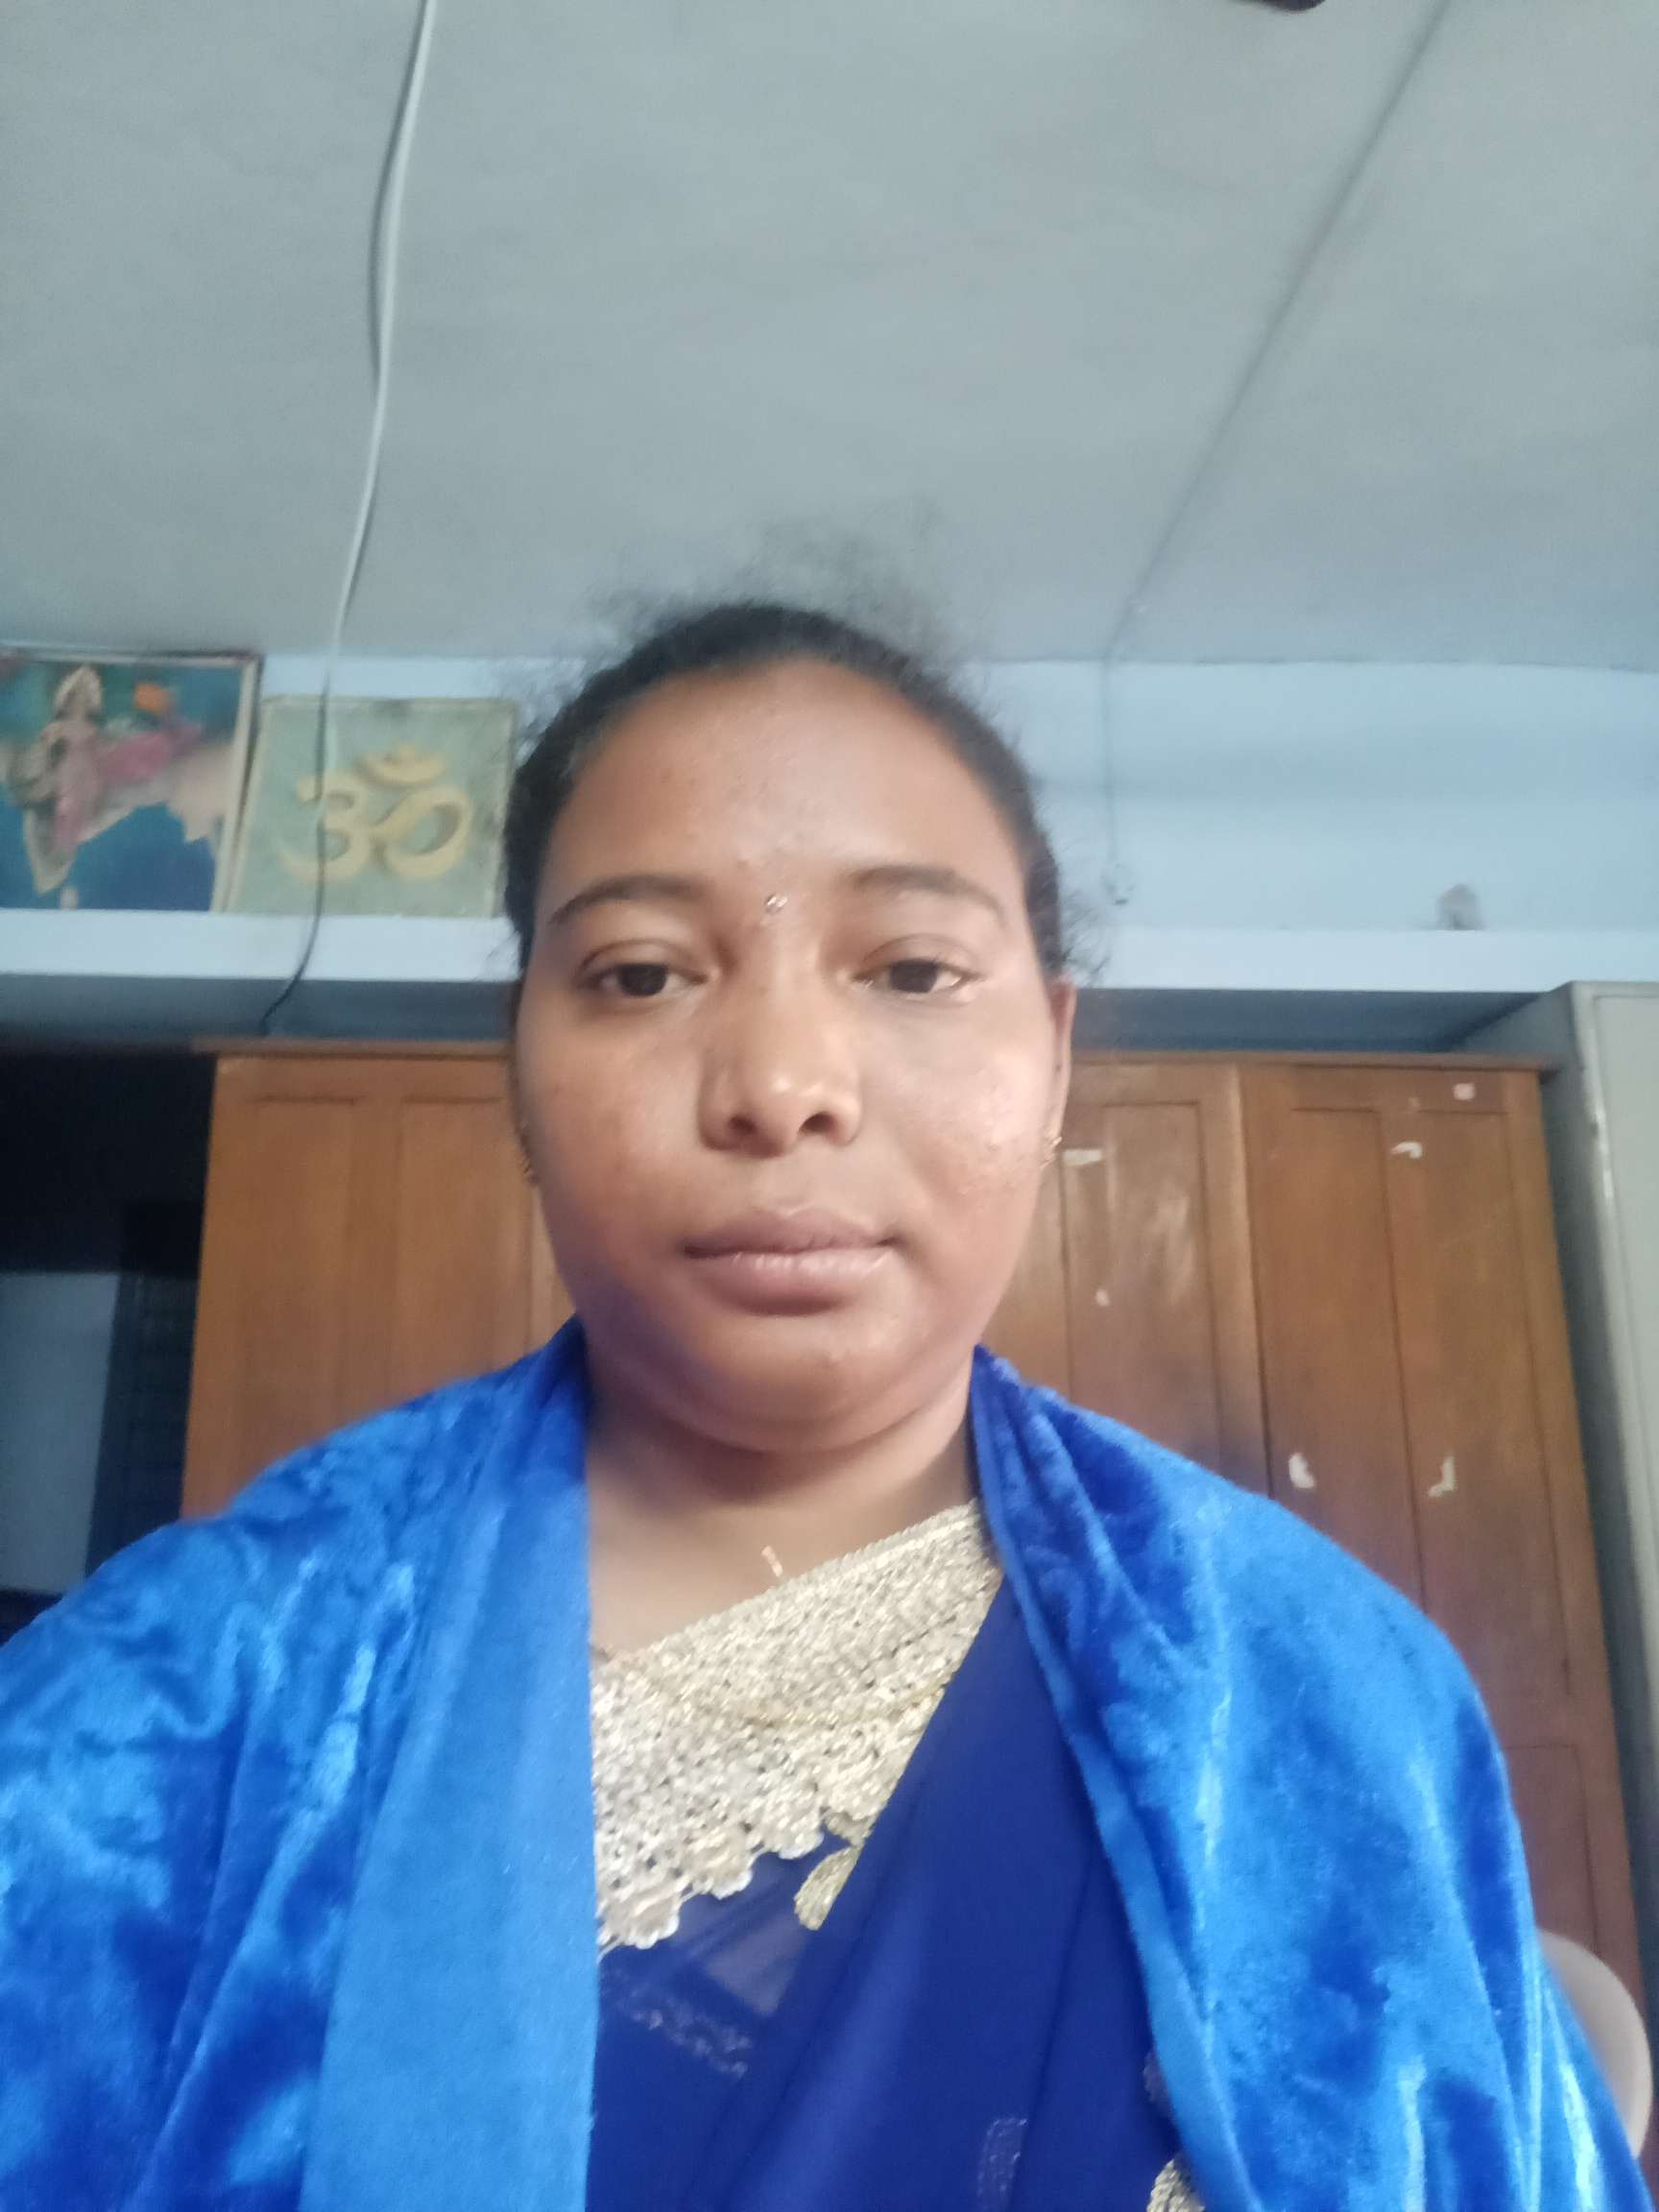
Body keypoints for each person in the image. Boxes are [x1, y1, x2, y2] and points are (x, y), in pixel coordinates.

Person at [0, 600, 1647, 2212]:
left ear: (1054, 1055)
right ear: (521, 1067)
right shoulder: (186, 1695)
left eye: (914, 969)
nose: (782, 1087)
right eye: (643, 975)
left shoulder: (1318, 1693)